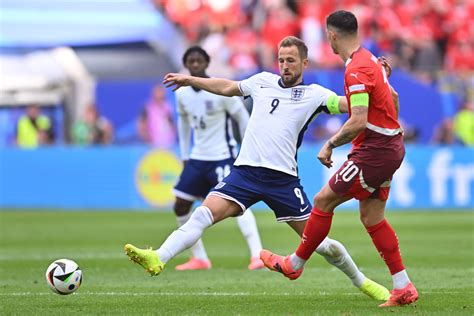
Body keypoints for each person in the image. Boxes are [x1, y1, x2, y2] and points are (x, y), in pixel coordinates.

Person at [124, 35, 390, 302]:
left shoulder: (315, 95)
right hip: (245, 173)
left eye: (291, 61)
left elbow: (351, 105)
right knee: (202, 215)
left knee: (322, 244)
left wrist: (380, 82)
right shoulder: (261, 81)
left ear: (305, 63)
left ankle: (362, 281)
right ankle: (158, 257)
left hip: (283, 181)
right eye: (281, 60)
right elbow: (227, 87)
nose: (285, 65)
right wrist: (191, 80)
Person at [260, 11, 418, 308]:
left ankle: (294, 264)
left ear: (332, 36)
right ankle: (403, 286)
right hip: (390, 146)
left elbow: (357, 121)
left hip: (375, 151)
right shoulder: (371, 60)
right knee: (372, 218)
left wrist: (329, 144)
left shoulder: (356, 70)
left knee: (322, 202)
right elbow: (393, 99)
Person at [172, 46, 264, 270]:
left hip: (222, 156)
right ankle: (200, 258)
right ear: (186, 65)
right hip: (197, 158)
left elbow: (242, 118)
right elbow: (183, 124)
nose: (195, 64)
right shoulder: (182, 94)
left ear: (206, 63)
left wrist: (246, 148)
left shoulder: (220, 90)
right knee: (180, 205)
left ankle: (256, 255)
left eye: (199, 60)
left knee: (236, 204)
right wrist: (184, 155)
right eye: (190, 61)